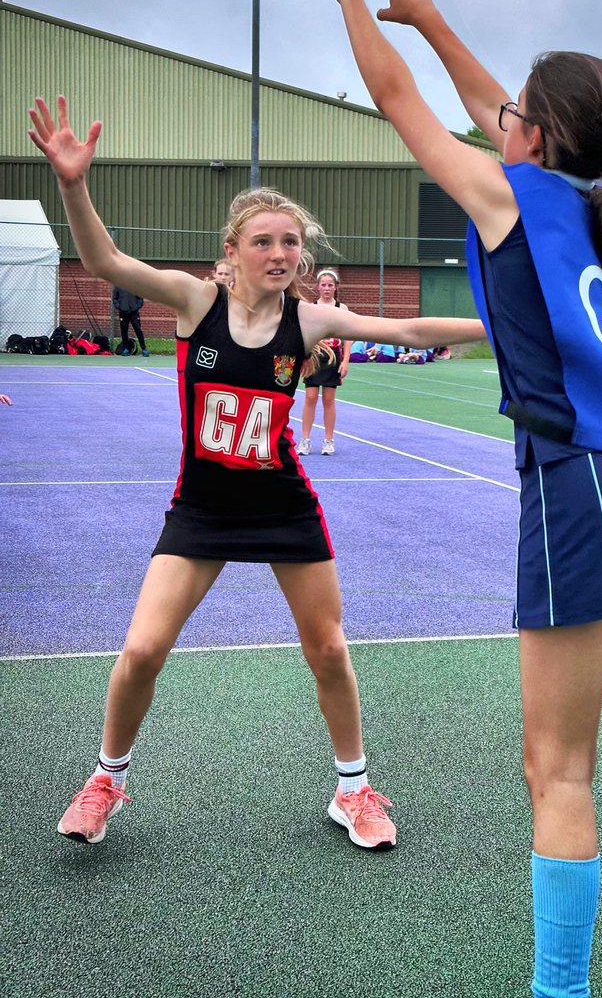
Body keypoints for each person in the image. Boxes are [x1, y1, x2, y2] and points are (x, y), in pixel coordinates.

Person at [319, 0, 602, 998]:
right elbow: (495, 110)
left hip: (583, 479)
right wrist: (433, 19)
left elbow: (399, 101)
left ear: (537, 137)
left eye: (515, 114)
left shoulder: (509, 195)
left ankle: (561, 993)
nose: (497, 115)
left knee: (557, 770)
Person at [27, 94, 484, 852]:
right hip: (201, 508)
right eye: (264, 241)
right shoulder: (193, 301)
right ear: (233, 249)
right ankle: (107, 779)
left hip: (281, 501)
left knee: (329, 648)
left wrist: (507, 324)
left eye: (291, 244)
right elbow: (107, 262)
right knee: (141, 649)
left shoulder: (307, 321)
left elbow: (406, 326)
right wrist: (74, 184)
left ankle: (353, 789)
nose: (280, 254)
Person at [299, 268, 351, 456]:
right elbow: (305, 333)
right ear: (318, 287)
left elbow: (348, 337)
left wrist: (345, 361)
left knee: (329, 399)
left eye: (330, 285)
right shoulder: (311, 307)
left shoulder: (341, 309)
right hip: (315, 357)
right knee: (310, 397)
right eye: (323, 285)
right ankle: (305, 439)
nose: (327, 288)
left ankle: (329, 440)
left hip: (333, 359)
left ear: (336, 287)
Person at [112, 285, 149, 356]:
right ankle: (126, 349)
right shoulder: (118, 286)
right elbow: (115, 298)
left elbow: (140, 298)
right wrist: (119, 307)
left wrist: (136, 307)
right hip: (123, 313)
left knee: (138, 330)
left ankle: (144, 349)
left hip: (134, 313)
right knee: (124, 331)